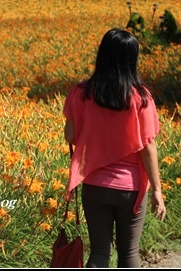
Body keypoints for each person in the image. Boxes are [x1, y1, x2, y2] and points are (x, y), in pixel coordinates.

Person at [64, 28, 166, 268]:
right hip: (130, 189)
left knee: (99, 254)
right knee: (128, 255)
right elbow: (147, 148)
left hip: (94, 184)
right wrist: (158, 191)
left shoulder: (81, 93)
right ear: (132, 59)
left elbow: (70, 135)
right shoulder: (141, 98)